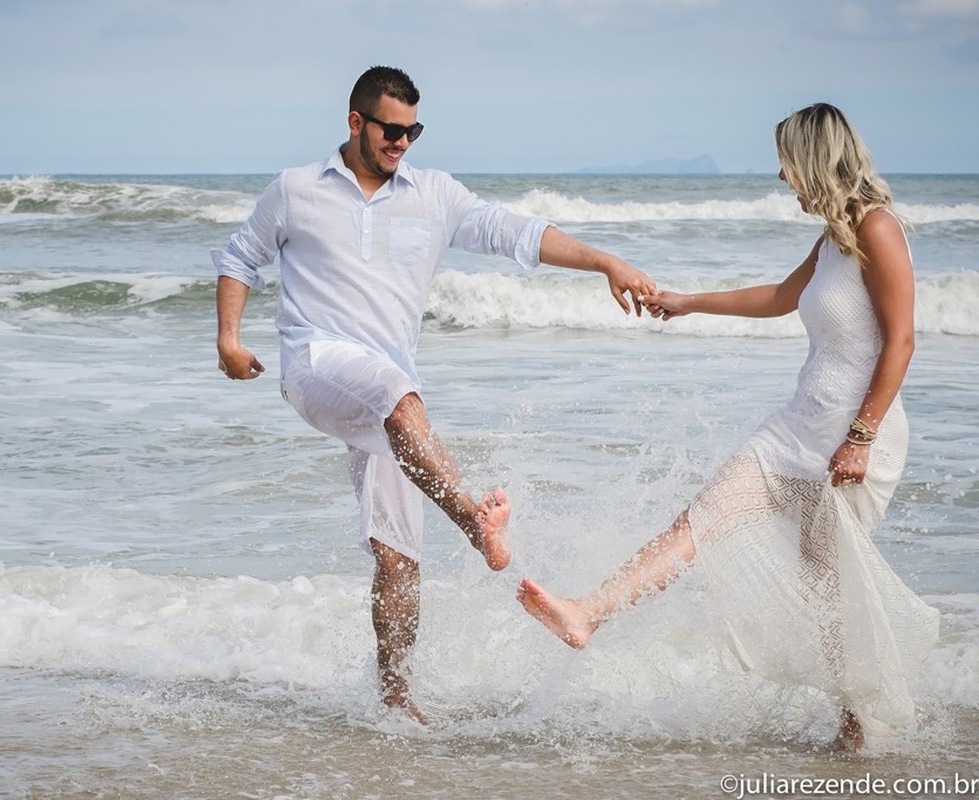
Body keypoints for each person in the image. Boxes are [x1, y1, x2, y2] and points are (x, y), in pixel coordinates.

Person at [213, 65, 655, 723]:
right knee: (398, 391)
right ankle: (477, 523)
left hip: (389, 408)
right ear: (355, 122)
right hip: (315, 367)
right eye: (391, 130)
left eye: (413, 130)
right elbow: (237, 257)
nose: (402, 143)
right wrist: (229, 339)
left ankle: (396, 702)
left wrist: (605, 263)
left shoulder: (435, 195)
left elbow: (518, 234)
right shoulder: (296, 190)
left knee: (399, 559)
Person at [518, 102, 940, 750]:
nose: (781, 176)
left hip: (854, 443)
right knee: (699, 522)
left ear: (814, 160)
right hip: (794, 431)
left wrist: (860, 438)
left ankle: (859, 724)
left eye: (787, 162)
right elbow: (779, 296)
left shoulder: (879, 229)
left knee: (831, 588)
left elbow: (903, 341)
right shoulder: (832, 239)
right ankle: (587, 613)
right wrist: (689, 302)